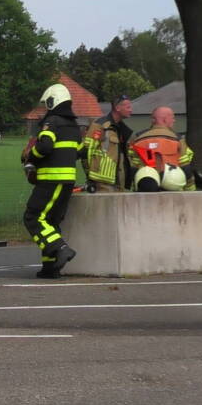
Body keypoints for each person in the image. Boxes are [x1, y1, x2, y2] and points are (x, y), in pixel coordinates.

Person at [22, 83, 81, 279]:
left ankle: (60, 248)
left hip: (50, 179)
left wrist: (31, 155)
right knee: (51, 221)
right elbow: (79, 151)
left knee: (33, 217)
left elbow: (45, 146)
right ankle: (50, 267)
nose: (45, 108)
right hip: (67, 180)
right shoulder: (74, 125)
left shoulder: (52, 121)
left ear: (52, 101)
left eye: (47, 103)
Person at [127, 106, 196, 191]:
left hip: (146, 188)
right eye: (173, 118)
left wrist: (134, 189)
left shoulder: (137, 139)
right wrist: (191, 190)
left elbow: (133, 167)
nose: (174, 121)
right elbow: (185, 168)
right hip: (172, 187)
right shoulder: (177, 139)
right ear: (165, 120)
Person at [82, 94, 134, 192]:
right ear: (118, 108)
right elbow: (86, 151)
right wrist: (90, 177)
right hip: (102, 182)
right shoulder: (100, 126)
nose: (131, 110)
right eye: (128, 107)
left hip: (119, 182)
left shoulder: (121, 129)